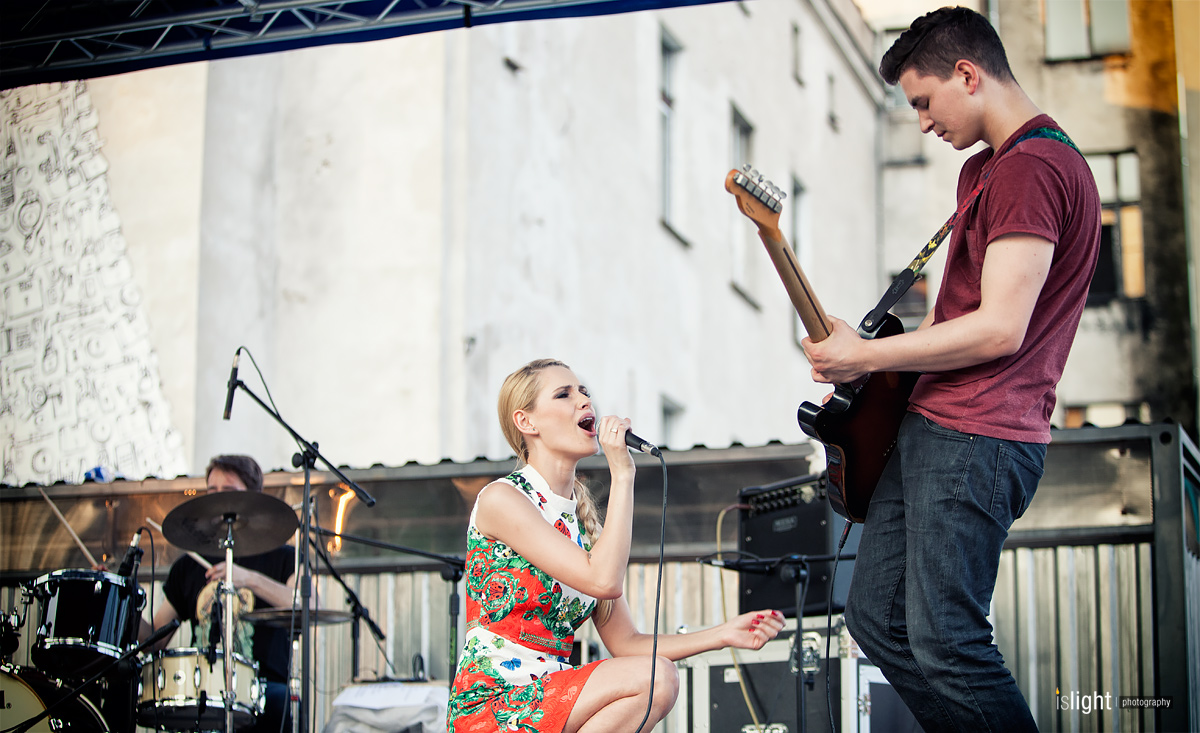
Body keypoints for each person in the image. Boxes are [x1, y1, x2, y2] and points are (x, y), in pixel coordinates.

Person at [801, 7, 1101, 732]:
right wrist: (865, 360)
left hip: (978, 435)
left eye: (924, 101)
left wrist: (866, 355)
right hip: (934, 426)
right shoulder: (987, 170)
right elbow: (951, 320)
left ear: (968, 74)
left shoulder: (1033, 167)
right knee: (878, 621)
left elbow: (999, 328)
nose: (922, 122)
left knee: (949, 642)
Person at [447, 358, 785, 732]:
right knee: (656, 677)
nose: (584, 400)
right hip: (491, 703)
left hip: (550, 697)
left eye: (584, 391)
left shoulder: (583, 529)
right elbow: (604, 580)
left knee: (659, 679)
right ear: (526, 422)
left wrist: (722, 634)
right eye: (563, 394)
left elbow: (627, 643)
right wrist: (622, 473)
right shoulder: (503, 499)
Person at [139, 455, 297, 733]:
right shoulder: (189, 564)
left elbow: (308, 605)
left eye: (229, 491)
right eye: (212, 491)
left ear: (252, 499)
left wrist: (248, 578)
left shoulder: (284, 557)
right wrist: (122, 600)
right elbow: (154, 640)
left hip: (262, 688)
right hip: (202, 688)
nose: (218, 500)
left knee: (281, 701)